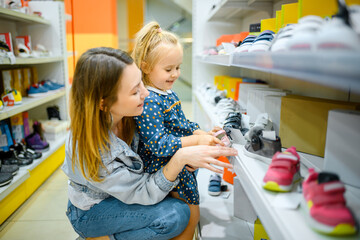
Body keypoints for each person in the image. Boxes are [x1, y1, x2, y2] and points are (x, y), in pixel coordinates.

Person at [62, 47, 237, 240]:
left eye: (141, 84)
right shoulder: (92, 149)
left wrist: (196, 142)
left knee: (187, 177)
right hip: (93, 210)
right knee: (174, 216)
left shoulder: (131, 115)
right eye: (135, 91)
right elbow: (143, 191)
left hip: (126, 193)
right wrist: (180, 157)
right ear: (103, 103)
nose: (146, 93)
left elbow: (163, 143)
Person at [131, 21, 223, 239]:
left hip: (178, 161)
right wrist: (196, 142)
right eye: (168, 69)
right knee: (191, 216)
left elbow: (183, 124)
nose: (175, 74)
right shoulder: (151, 101)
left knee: (191, 216)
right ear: (145, 67)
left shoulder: (167, 93)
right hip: (165, 167)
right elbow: (158, 144)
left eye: (178, 67)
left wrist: (202, 133)